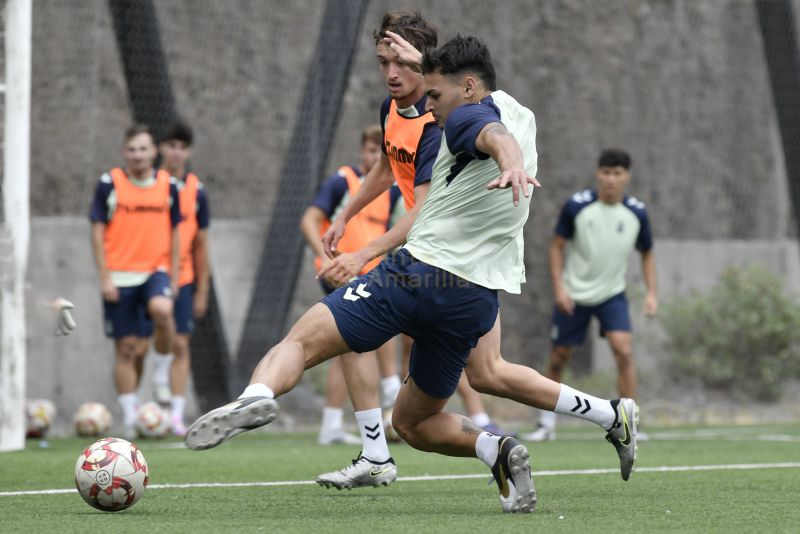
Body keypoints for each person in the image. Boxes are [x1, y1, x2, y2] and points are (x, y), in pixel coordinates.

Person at [186, 34, 638, 514]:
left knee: (302, 339)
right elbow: (479, 117)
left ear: (466, 88)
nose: (430, 106)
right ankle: (504, 447)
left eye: (435, 96)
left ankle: (255, 396)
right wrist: (420, 65)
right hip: (472, 298)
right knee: (416, 421)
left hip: (418, 275)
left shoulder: (466, 116)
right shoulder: (518, 112)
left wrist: (510, 163)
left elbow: (487, 132)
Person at [314, 12, 509, 490]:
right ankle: (379, 451)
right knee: (352, 333)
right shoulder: (391, 109)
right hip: (422, 252)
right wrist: (346, 213)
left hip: (446, 257)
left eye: (398, 62)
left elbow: (423, 210)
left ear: (423, 64)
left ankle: (598, 415)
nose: (390, 73)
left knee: (486, 371)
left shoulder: (442, 124)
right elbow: (384, 168)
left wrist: (363, 255)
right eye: (382, 63)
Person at [523, 149, 656, 442]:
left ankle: (630, 421)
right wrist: (559, 288)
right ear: (598, 173)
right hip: (574, 294)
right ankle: (546, 423)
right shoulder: (577, 206)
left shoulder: (637, 212)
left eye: (617, 173)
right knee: (559, 357)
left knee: (623, 351)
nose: (611, 179)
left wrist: (651, 294)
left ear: (626, 176)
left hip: (612, 295)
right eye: (606, 173)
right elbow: (556, 246)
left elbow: (647, 252)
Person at [299, 124, 404, 446]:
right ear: (361, 151)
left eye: (380, 152)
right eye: (371, 150)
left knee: (347, 346)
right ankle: (390, 388)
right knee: (368, 331)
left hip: (371, 272)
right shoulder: (342, 181)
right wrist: (325, 257)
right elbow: (308, 220)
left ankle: (331, 424)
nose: (375, 157)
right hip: (340, 272)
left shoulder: (393, 190)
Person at [89, 124, 181, 439]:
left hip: (154, 271)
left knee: (163, 309)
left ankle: (160, 374)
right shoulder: (109, 184)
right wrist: (104, 276)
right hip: (119, 276)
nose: (138, 155)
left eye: (143, 149)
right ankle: (130, 416)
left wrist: (175, 273)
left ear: (154, 151)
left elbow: (175, 231)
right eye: (132, 149)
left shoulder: (168, 186)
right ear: (124, 152)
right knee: (129, 349)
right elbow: (97, 231)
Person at [151, 121, 211, 436]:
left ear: (188, 151)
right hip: (146, 274)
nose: (176, 152)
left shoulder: (196, 191)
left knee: (181, 344)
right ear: (160, 148)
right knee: (132, 346)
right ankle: (138, 412)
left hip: (183, 276)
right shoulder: (150, 184)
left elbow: (201, 244)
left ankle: (174, 416)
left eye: (182, 146)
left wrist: (202, 291)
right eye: (170, 145)